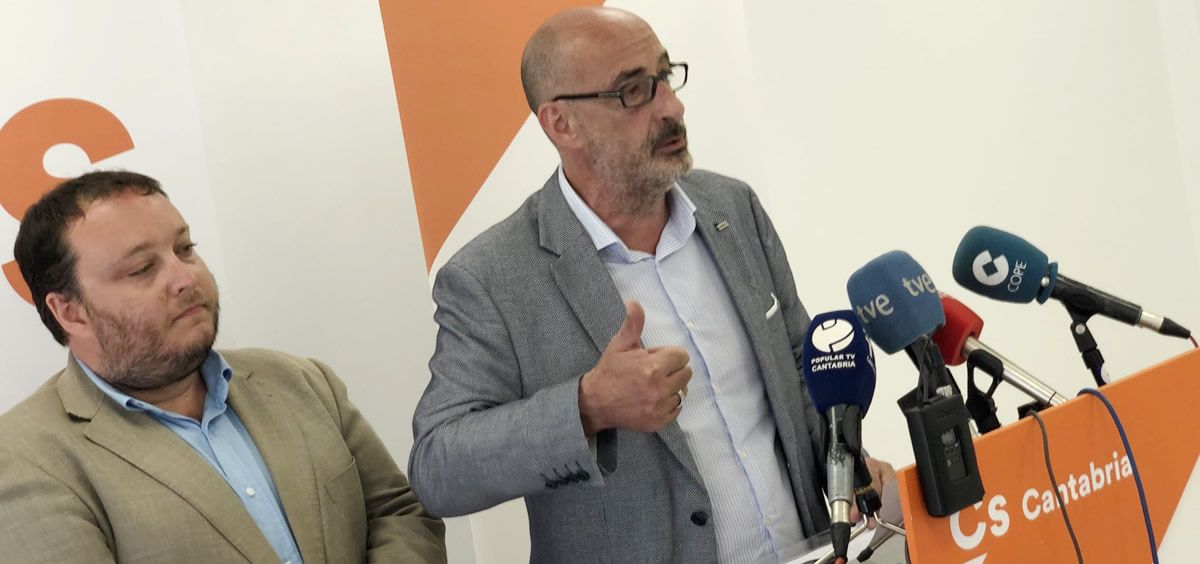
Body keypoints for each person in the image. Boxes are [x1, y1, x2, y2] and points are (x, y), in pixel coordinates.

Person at [409, 6, 893, 563]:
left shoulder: (733, 208)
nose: (671, 107)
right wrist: (586, 407)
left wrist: (850, 468)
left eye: (665, 76)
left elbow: (796, 365)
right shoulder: (492, 278)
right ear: (561, 124)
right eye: (634, 90)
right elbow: (437, 467)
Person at [0, 171, 446, 563]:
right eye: (142, 268)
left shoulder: (301, 381)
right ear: (70, 312)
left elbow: (398, 512)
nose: (185, 278)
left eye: (185, 248)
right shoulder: (25, 460)